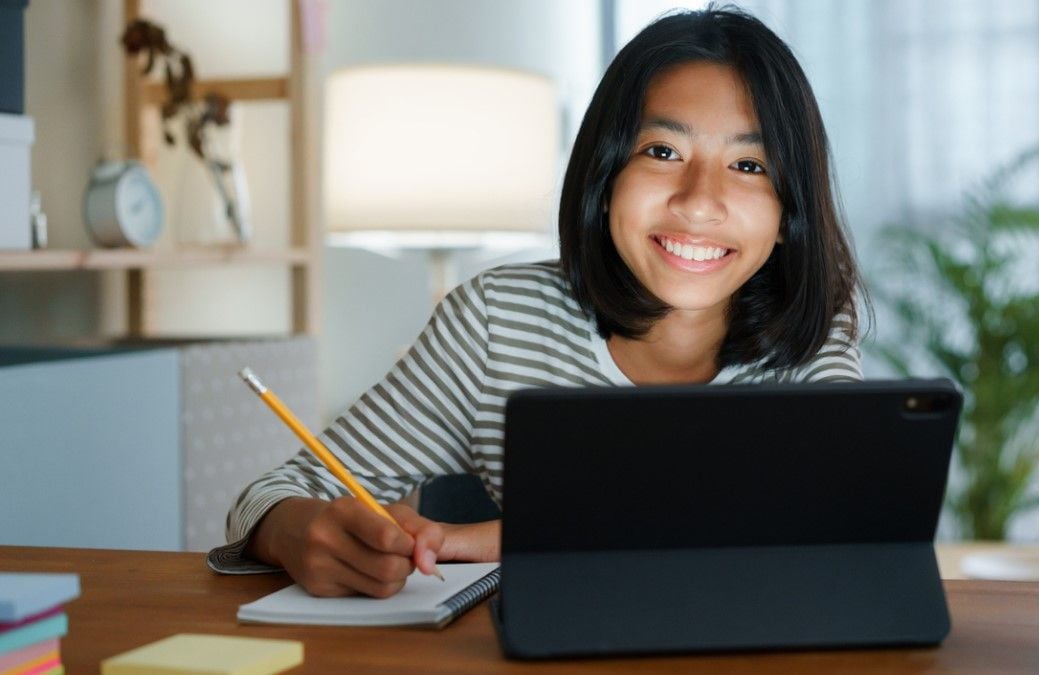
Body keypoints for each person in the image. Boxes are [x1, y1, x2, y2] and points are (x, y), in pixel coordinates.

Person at [208, 5, 865, 598]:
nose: (698, 200)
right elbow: (266, 497)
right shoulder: (497, 322)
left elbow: (836, 536)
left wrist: (509, 537)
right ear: (606, 178)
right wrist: (296, 532)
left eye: (749, 166)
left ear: (788, 212)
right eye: (662, 150)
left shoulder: (811, 333)